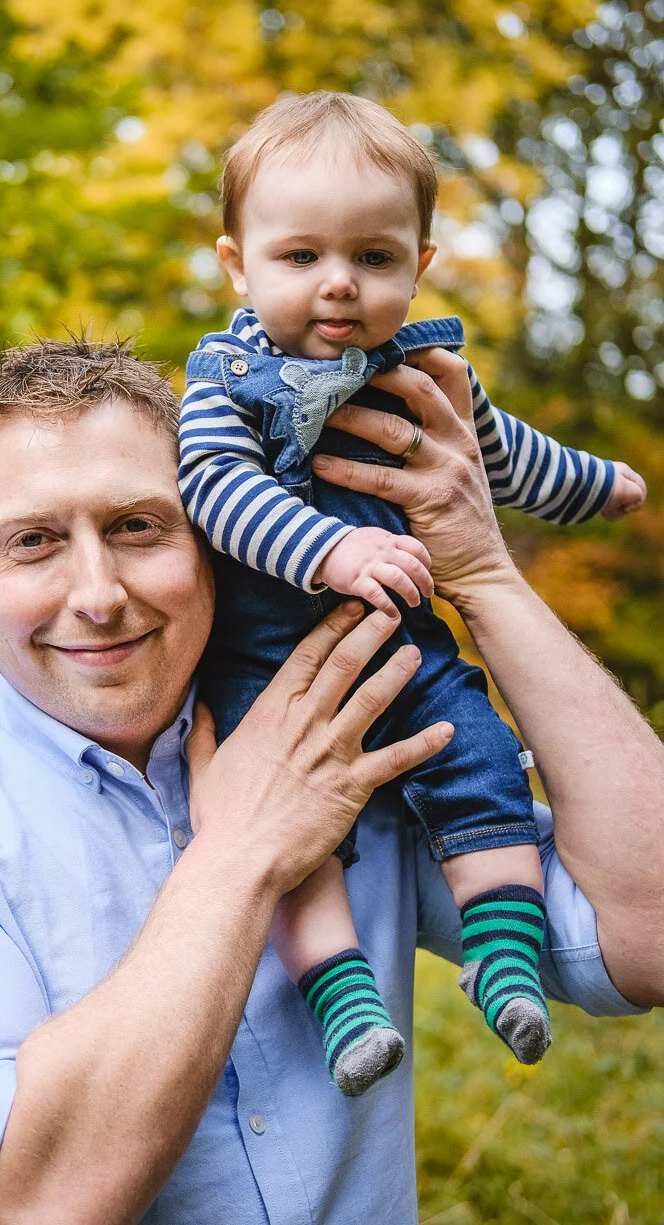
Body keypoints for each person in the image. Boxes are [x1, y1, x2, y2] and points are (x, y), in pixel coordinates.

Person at [0, 337, 664, 1225]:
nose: (96, 593)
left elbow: (646, 934)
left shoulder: (343, 737)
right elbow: (43, 1220)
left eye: (139, 528)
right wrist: (244, 850)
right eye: (33, 543)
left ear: (215, 539)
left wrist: (479, 574)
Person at [178, 90, 647, 1093]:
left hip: (408, 653)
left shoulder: (427, 369)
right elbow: (212, 490)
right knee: (283, 827)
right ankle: (342, 997)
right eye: (301, 258)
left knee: (481, 762)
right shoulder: (223, 380)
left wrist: (593, 482)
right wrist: (326, 553)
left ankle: (504, 958)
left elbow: (502, 459)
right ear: (238, 264)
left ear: (419, 263)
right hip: (264, 665)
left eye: (374, 258)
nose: (338, 285)